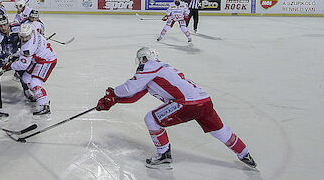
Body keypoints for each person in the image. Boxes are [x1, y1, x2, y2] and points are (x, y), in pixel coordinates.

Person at [96, 47, 256, 170]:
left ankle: (164, 155)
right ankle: (244, 153)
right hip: (204, 100)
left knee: (151, 119)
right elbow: (135, 95)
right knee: (219, 130)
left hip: (187, 103)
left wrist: (113, 93)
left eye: (141, 60)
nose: (140, 63)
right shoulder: (161, 69)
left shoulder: (150, 66)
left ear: (144, 58)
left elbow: (129, 88)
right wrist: (114, 101)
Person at [3, 22, 56, 118]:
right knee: (26, 78)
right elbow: (38, 24)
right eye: (22, 37)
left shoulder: (27, 48)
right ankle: (39, 95)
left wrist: (10, 65)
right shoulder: (33, 27)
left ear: (30, 33)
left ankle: (44, 106)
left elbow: (23, 65)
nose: (24, 39)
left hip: (47, 60)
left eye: (26, 37)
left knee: (35, 83)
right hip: (38, 59)